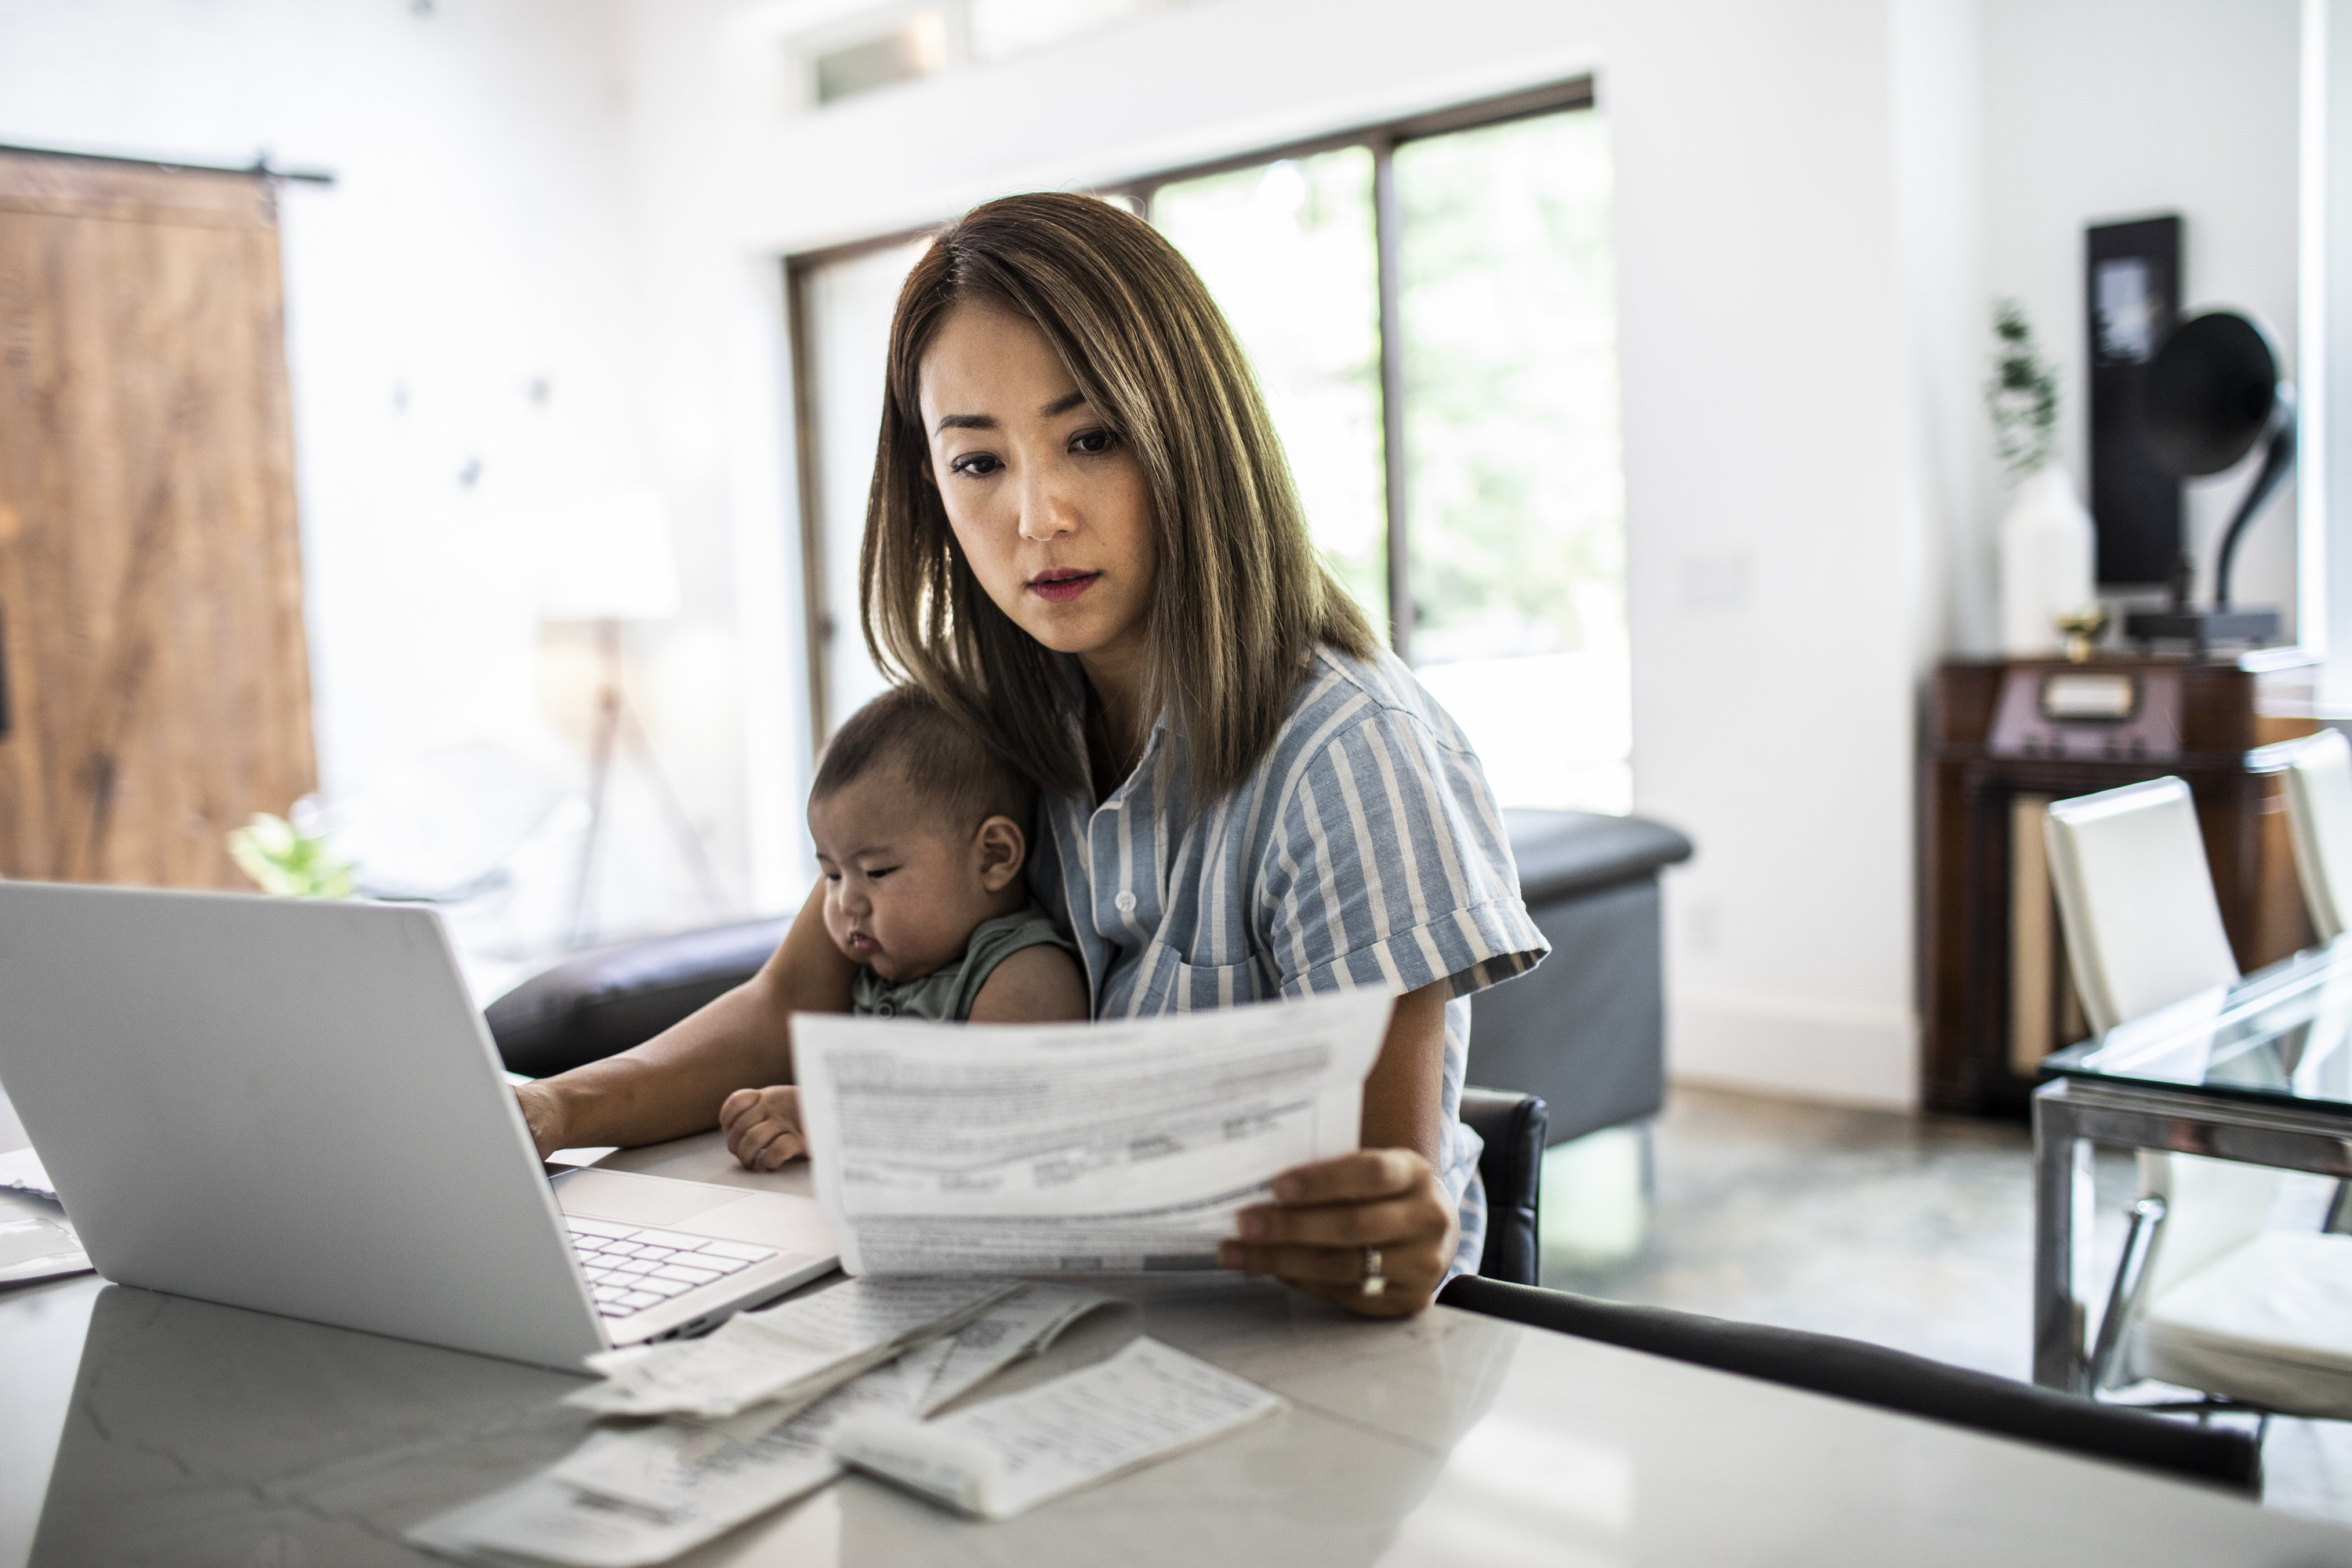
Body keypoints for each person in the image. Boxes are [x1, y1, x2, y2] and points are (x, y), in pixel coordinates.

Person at [517, 191, 1546, 1316]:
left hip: (1269, 1361)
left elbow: (1378, 1221)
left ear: (1191, 438)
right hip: (1016, 1317)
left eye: (1091, 440)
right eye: (978, 463)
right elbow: (788, 1009)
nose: (1037, 515)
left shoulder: (1352, 757)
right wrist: (551, 1112)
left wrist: (1391, 1231)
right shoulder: (968, 727)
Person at [717, 686, 1087, 1154]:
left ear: (994, 856)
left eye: (877, 872)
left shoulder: (1024, 973)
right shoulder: (879, 969)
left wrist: (822, 1116)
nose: (846, 902)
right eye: (831, 874)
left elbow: (994, 1116)